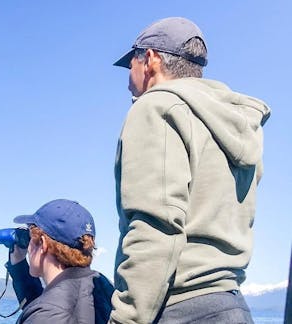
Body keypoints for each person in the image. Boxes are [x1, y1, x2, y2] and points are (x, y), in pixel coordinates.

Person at [110, 17, 271, 323]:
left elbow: (156, 225)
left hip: (179, 308)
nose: (128, 79)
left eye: (131, 63)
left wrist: (125, 318)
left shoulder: (155, 106)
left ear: (151, 59)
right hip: (231, 306)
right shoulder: (238, 124)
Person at [5, 198, 113, 324]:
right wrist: (19, 264)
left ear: (43, 244)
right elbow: (53, 303)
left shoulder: (46, 314)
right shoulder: (101, 285)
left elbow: (51, 310)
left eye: (30, 238)